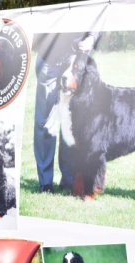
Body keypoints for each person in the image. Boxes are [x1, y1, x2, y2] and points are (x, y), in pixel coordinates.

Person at [32, 32, 99, 193]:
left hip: (75, 59)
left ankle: (69, 179)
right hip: (49, 58)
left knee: (71, 120)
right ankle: (45, 183)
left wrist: (92, 37)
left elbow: (98, 16)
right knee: (46, 122)